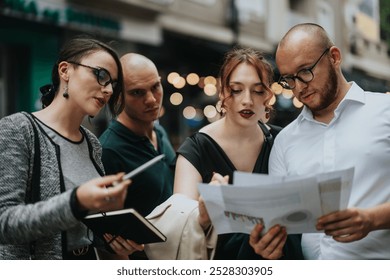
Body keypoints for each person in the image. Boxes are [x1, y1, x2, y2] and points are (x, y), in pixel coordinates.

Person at [249, 23, 390, 259]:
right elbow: (281, 223)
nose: (299, 88)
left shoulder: (385, 111)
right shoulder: (284, 141)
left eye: (305, 71)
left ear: (334, 57)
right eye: (289, 79)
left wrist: (371, 219)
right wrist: (269, 246)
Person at [0, 37, 139, 260]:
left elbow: (80, 230)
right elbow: (4, 223)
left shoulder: (92, 142)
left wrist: (110, 239)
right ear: (65, 70)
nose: (108, 90)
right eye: (101, 75)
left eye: (113, 83)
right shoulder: (18, 129)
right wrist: (76, 201)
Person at [173, 47, 302, 259]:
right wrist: (202, 215)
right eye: (236, 89)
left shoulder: (283, 141)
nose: (247, 100)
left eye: (257, 90)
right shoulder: (196, 149)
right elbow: (180, 222)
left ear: (267, 96)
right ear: (223, 92)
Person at [99, 53, 175, 217]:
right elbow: (103, 219)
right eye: (137, 93)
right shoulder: (109, 150)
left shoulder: (159, 132)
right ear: (118, 96)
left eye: (155, 87)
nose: (152, 100)